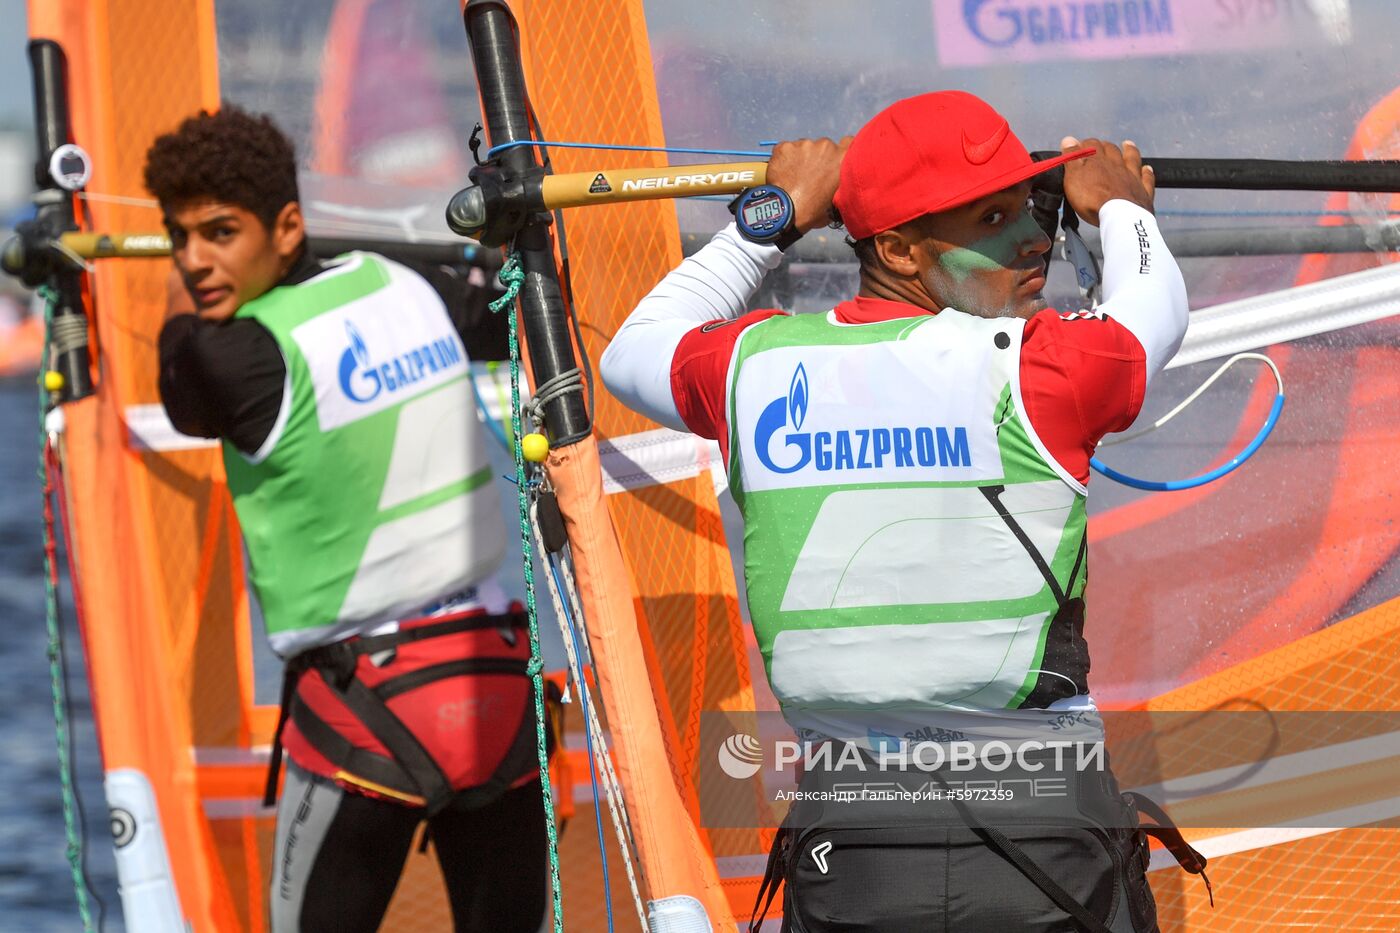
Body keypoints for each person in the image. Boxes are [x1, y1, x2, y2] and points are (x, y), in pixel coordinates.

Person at [601, 91, 1202, 931]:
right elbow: (1152, 317)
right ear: (896, 248)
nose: (1034, 237)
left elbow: (630, 353)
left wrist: (770, 217)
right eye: (992, 217)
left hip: (854, 847)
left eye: (1032, 208)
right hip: (1045, 836)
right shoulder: (1036, 367)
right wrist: (1122, 212)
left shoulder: (755, 365)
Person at [147, 105, 549, 933]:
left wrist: (184, 307)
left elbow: (178, 354)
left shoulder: (233, 355)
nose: (193, 262)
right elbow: (498, 319)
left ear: (287, 225)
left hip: (366, 709)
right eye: (178, 237)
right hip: (500, 683)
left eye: (219, 233)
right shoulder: (397, 282)